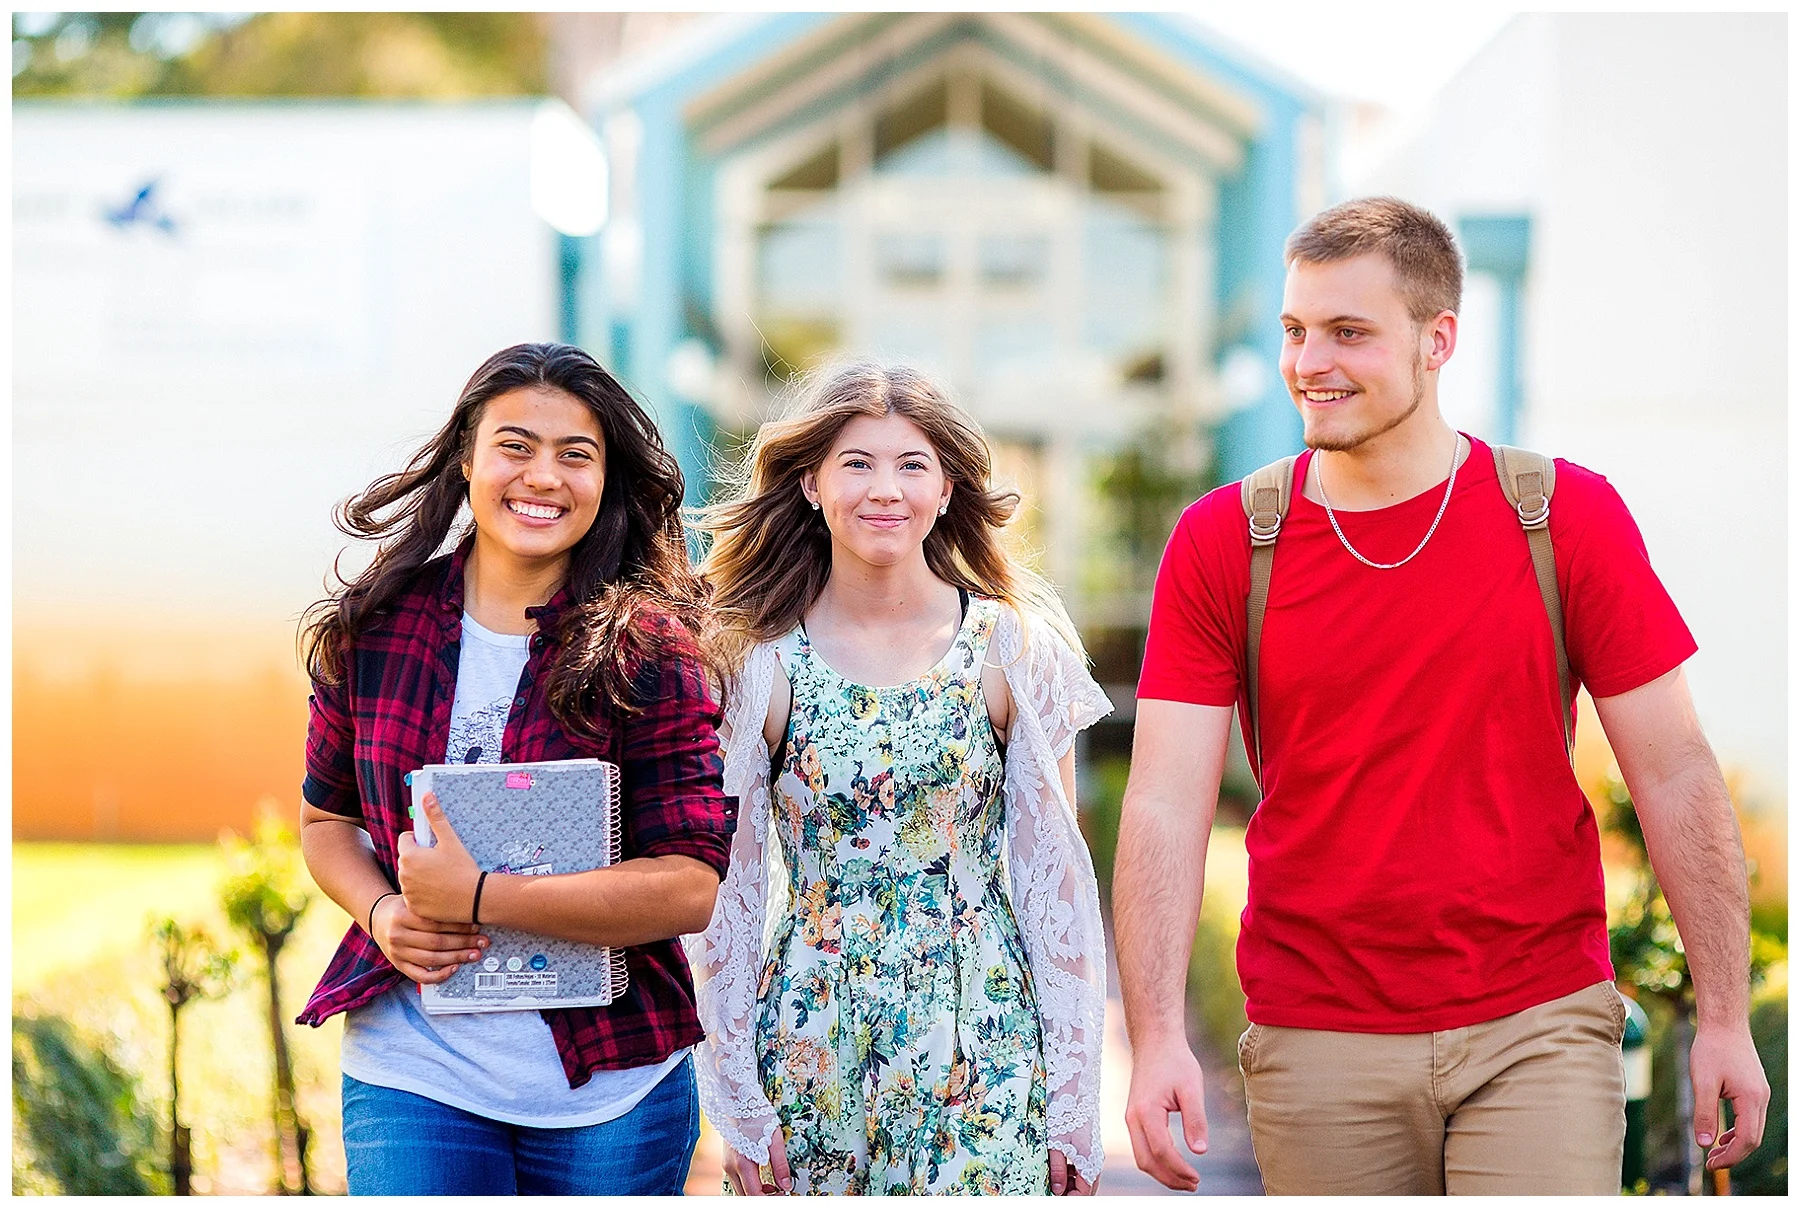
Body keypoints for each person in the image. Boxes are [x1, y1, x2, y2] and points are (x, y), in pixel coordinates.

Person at [1114, 198, 1769, 1195]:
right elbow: (1164, 801)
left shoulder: (1561, 517)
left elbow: (1676, 769)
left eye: (1347, 332)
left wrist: (1724, 1014)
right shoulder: (1224, 542)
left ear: (1438, 340)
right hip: (1317, 1032)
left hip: (1537, 1023)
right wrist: (1158, 1032)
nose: (1308, 361)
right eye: (1295, 330)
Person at [294, 342, 735, 1195]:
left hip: (610, 1092)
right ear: (467, 458)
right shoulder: (376, 627)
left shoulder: (649, 652)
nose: (544, 476)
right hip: (413, 1074)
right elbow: (325, 824)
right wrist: (384, 913)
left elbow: (688, 886)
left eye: (577, 455)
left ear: (607, 481)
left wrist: (480, 897)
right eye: (515, 446)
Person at [689, 362, 1110, 1195]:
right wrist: (735, 1098)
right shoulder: (760, 662)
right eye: (857, 463)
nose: (885, 489)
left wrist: (1073, 1098)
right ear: (810, 484)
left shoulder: (1014, 650)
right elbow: (728, 895)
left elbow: (1053, 885)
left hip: (984, 1031)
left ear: (948, 489)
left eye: (912, 465)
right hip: (812, 1028)